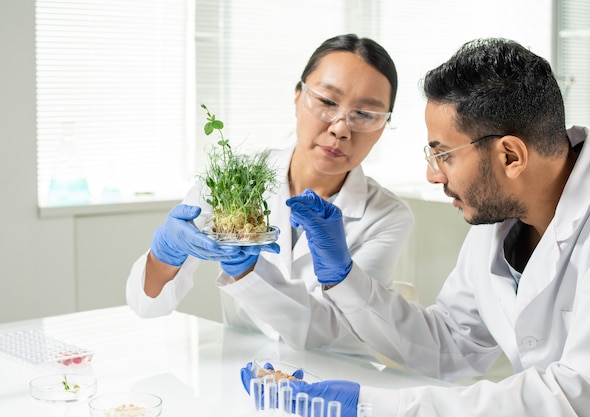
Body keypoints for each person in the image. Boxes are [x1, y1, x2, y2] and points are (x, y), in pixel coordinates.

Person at [241, 38, 590, 417]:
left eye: (443, 155)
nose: (431, 174)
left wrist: (372, 407)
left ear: (510, 155)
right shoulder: (499, 217)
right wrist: (344, 279)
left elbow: (581, 396)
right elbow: (452, 343)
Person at [126, 34, 414, 358]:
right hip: (238, 374)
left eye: (365, 114)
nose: (341, 128)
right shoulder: (233, 181)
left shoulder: (388, 216)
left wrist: (249, 275)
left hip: (332, 386)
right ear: (297, 97)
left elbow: (343, 334)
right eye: (328, 102)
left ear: (383, 125)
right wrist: (166, 253)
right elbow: (145, 305)